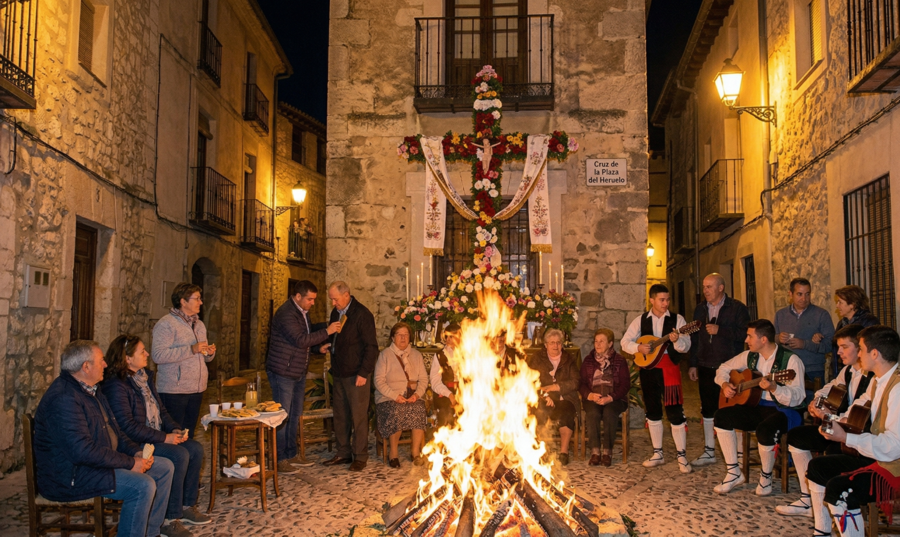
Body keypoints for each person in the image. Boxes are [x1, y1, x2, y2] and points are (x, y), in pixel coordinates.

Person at [33, 340, 176, 537]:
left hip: (97, 464)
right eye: (101, 360)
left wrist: (135, 452)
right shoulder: (64, 398)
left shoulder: (93, 389)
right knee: (142, 486)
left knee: (164, 467)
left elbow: (116, 431)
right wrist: (129, 463)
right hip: (72, 476)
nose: (106, 364)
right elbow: (82, 451)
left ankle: (151, 533)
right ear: (86, 366)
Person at [102, 334, 208, 536]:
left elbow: (161, 410)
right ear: (127, 358)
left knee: (195, 448)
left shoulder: (144, 378)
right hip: (136, 442)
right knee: (178, 455)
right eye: (142, 351)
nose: (147, 354)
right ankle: (170, 518)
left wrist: (174, 429)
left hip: (153, 436)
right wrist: (164, 438)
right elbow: (126, 426)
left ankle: (186, 505)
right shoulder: (117, 386)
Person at [807, 326, 900, 537]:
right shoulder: (877, 380)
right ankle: (822, 531)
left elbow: (894, 447)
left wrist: (845, 437)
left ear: (874, 354)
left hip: (894, 466)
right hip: (880, 457)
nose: (859, 355)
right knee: (818, 467)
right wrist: (830, 419)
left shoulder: (897, 388)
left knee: (839, 489)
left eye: (862, 350)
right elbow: (853, 413)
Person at [776, 324, 873, 517]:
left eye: (844, 347)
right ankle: (807, 498)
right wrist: (817, 401)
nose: (839, 352)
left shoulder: (873, 378)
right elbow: (829, 387)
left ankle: (826, 505)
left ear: (860, 349)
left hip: (858, 437)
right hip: (840, 428)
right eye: (838, 347)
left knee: (830, 453)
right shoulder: (847, 371)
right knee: (797, 436)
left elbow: (853, 415)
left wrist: (827, 417)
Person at [712, 319, 806, 495]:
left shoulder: (791, 360)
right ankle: (733, 472)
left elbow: (799, 396)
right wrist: (725, 384)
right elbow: (723, 368)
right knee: (721, 416)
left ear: (763, 339)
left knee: (765, 429)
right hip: (757, 405)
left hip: (784, 409)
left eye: (750, 336)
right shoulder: (750, 355)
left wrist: (775, 388)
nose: (746, 340)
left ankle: (765, 478)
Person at [266, 280, 341, 474]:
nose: (313, 303)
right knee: (282, 416)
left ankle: (291, 454)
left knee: (295, 415)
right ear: (298, 296)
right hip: (283, 372)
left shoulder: (302, 312)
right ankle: (279, 458)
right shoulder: (286, 313)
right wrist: (327, 331)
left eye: (314, 299)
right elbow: (300, 340)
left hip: (297, 371)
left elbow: (302, 341)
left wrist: (317, 349)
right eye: (310, 299)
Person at [621, 284, 693, 473]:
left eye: (667, 299)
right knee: (652, 411)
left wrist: (677, 340)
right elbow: (625, 342)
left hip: (670, 370)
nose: (665, 303)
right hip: (648, 371)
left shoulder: (678, 320)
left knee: (675, 412)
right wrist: (638, 348)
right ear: (651, 300)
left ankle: (682, 456)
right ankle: (658, 453)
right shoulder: (641, 320)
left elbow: (686, 346)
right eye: (661, 300)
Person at [688, 273, 751, 467]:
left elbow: (745, 334)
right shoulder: (700, 309)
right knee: (707, 409)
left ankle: (738, 453)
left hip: (730, 367)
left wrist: (720, 330)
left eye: (709, 287)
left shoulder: (737, 308)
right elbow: (695, 338)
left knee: (731, 408)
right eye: (704, 287)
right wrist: (693, 363)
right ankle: (709, 451)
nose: (705, 290)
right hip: (706, 365)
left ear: (721, 287)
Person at [323, 281, 379, 472]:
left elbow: (371, 347)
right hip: (339, 373)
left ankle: (360, 456)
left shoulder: (362, 314)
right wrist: (329, 345)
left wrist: (364, 373)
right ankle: (343, 452)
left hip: (356, 375)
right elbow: (337, 337)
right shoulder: (335, 313)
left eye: (335, 299)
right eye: (331, 299)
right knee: (340, 416)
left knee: (358, 417)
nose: (333, 303)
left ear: (346, 295)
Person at [152, 283, 216, 438]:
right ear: (183, 301)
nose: (201, 302)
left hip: (197, 388)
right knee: (174, 435)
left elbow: (201, 355)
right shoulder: (166, 324)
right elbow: (158, 355)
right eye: (197, 298)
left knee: (189, 434)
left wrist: (208, 353)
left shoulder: (199, 325)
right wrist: (191, 349)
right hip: (174, 391)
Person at [374, 322, 429, 468]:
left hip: (411, 396)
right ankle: (393, 453)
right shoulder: (385, 355)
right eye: (399, 335)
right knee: (396, 410)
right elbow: (378, 381)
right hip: (388, 397)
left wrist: (417, 395)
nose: (403, 338)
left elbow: (424, 380)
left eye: (406, 335)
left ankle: (415, 452)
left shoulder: (416, 355)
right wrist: (395, 396)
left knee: (419, 408)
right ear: (393, 338)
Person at [528, 329, 580, 466]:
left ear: (562, 344)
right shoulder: (537, 359)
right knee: (539, 411)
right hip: (543, 399)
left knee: (567, 413)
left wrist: (556, 387)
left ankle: (563, 452)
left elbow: (576, 382)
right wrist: (545, 395)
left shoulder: (569, 359)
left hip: (565, 398)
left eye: (558, 342)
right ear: (546, 345)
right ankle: (542, 450)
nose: (555, 346)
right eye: (552, 343)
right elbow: (530, 380)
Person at [580, 328, 630, 467]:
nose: (598, 344)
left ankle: (607, 452)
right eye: (596, 341)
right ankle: (595, 452)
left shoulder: (619, 360)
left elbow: (625, 385)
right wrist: (590, 395)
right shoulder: (588, 361)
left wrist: (611, 397)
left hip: (615, 399)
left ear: (610, 343)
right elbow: (581, 383)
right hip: (593, 398)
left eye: (602, 341)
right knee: (592, 413)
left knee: (609, 412)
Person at [774, 277, 834, 390]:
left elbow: (830, 345)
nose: (804, 298)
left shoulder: (821, 315)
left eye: (807, 294)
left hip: (812, 370)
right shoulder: (780, 315)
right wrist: (778, 338)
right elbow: (772, 343)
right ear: (790, 294)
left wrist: (804, 344)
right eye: (799, 294)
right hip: (786, 369)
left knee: (812, 400)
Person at [833, 285, 880, 378]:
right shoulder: (841, 323)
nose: (837, 305)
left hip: (864, 371)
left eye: (840, 302)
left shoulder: (869, 322)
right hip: (847, 369)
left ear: (852, 304)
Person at [431, 323, 462, 428]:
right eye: (446, 336)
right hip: (445, 391)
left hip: (465, 391)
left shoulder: (469, 354)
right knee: (446, 413)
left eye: (451, 336)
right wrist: (450, 395)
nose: (448, 339)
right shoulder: (440, 355)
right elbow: (435, 382)